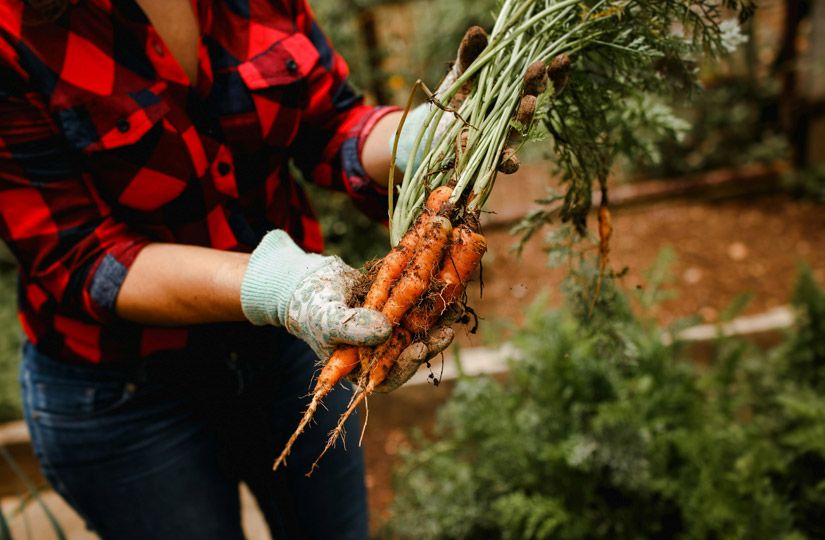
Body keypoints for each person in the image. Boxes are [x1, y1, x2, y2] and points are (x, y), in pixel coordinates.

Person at [0, 0, 500, 538]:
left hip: (287, 353)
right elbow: (82, 257)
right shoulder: (15, 32)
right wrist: (278, 285)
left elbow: (330, 123)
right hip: (126, 392)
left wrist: (418, 137)